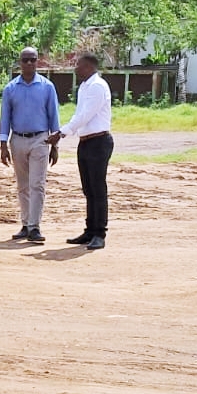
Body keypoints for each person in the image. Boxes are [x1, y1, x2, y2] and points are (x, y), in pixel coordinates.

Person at [49, 52, 113, 250]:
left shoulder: (97, 86)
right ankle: (89, 230)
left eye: (80, 65)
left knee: (97, 189)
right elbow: (79, 114)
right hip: (85, 142)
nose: (76, 69)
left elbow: (85, 116)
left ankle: (99, 233)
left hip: (99, 142)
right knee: (88, 189)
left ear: (90, 67)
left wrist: (61, 133)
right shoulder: (85, 87)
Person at [0, 46, 60, 243]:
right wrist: (3, 145)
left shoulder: (47, 87)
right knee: (23, 185)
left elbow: (53, 116)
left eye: (33, 60)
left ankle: (35, 226)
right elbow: (5, 117)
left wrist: (55, 145)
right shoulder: (11, 89)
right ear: (20, 63)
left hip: (40, 139)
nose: (29, 64)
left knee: (37, 184)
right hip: (17, 140)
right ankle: (25, 224)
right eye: (25, 60)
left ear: (37, 62)